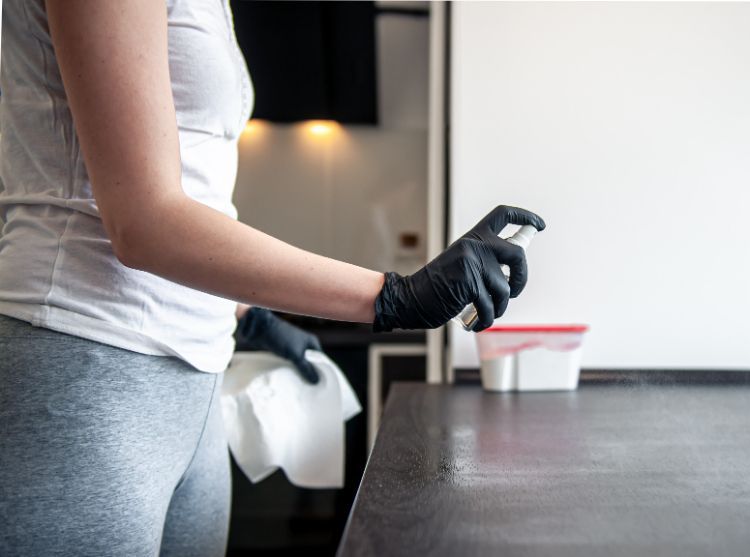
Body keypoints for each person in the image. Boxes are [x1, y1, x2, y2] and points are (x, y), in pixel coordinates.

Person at [0, 1, 545, 556]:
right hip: (88, 365)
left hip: (198, 372)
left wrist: (246, 314)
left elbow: (195, 192)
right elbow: (143, 223)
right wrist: (395, 297)